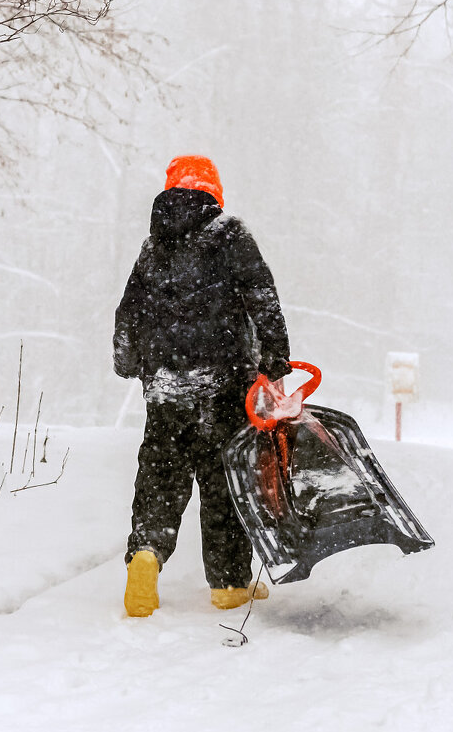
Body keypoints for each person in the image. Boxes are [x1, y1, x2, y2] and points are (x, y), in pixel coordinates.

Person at [113, 155, 291, 617]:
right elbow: (262, 296)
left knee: (160, 477)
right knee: (222, 483)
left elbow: (128, 312)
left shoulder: (154, 247)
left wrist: (129, 362)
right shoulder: (229, 233)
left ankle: (147, 554)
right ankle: (229, 584)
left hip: (166, 389)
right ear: (213, 191)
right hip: (224, 386)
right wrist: (275, 360)